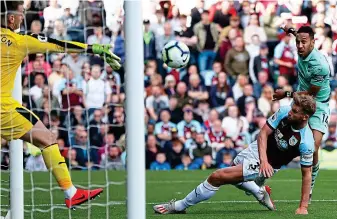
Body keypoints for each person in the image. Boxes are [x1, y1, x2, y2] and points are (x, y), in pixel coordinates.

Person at [0, 1, 121, 209]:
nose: (22, 18)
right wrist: (94, 49)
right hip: (3, 108)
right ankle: (71, 193)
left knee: (46, 137)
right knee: (47, 139)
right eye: (21, 14)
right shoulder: (19, 41)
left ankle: (72, 193)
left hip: (8, 106)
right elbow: (57, 44)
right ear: (11, 18)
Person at [153, 93, 316, 215]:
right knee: (235, 179)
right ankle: (260, 191)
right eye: (291, 108)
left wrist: (303, 207)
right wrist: (263, 158)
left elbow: (307, 174)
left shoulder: (306, 142)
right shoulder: (285, 111)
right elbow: (263, 134)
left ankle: (179, 206)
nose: (290, 113)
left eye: (295, 112)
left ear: (304, 116)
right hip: (257, 150)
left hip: (267, 165)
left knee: (217, 177)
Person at [273, 25, 331, 201]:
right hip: (299, 99)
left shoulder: (320, 65)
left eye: (304, 42)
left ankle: (310, 184)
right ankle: (260, 173)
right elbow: (298, 35)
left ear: (313, 42)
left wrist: (286, 94)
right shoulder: (301, 44)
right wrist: (291, 31)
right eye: (297, 42)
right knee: (279, 137)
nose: (299, 45)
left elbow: (311, 95)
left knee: (313, 146)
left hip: (318, 104)